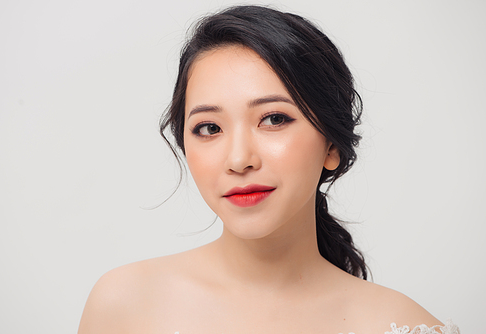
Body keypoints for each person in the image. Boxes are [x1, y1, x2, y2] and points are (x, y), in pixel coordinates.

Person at [78, 5, 459, 334]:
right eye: (209, 128)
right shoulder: (125, 305)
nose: (239, 159)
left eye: (274, 119)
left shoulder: (403, 324)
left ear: (331, 144)